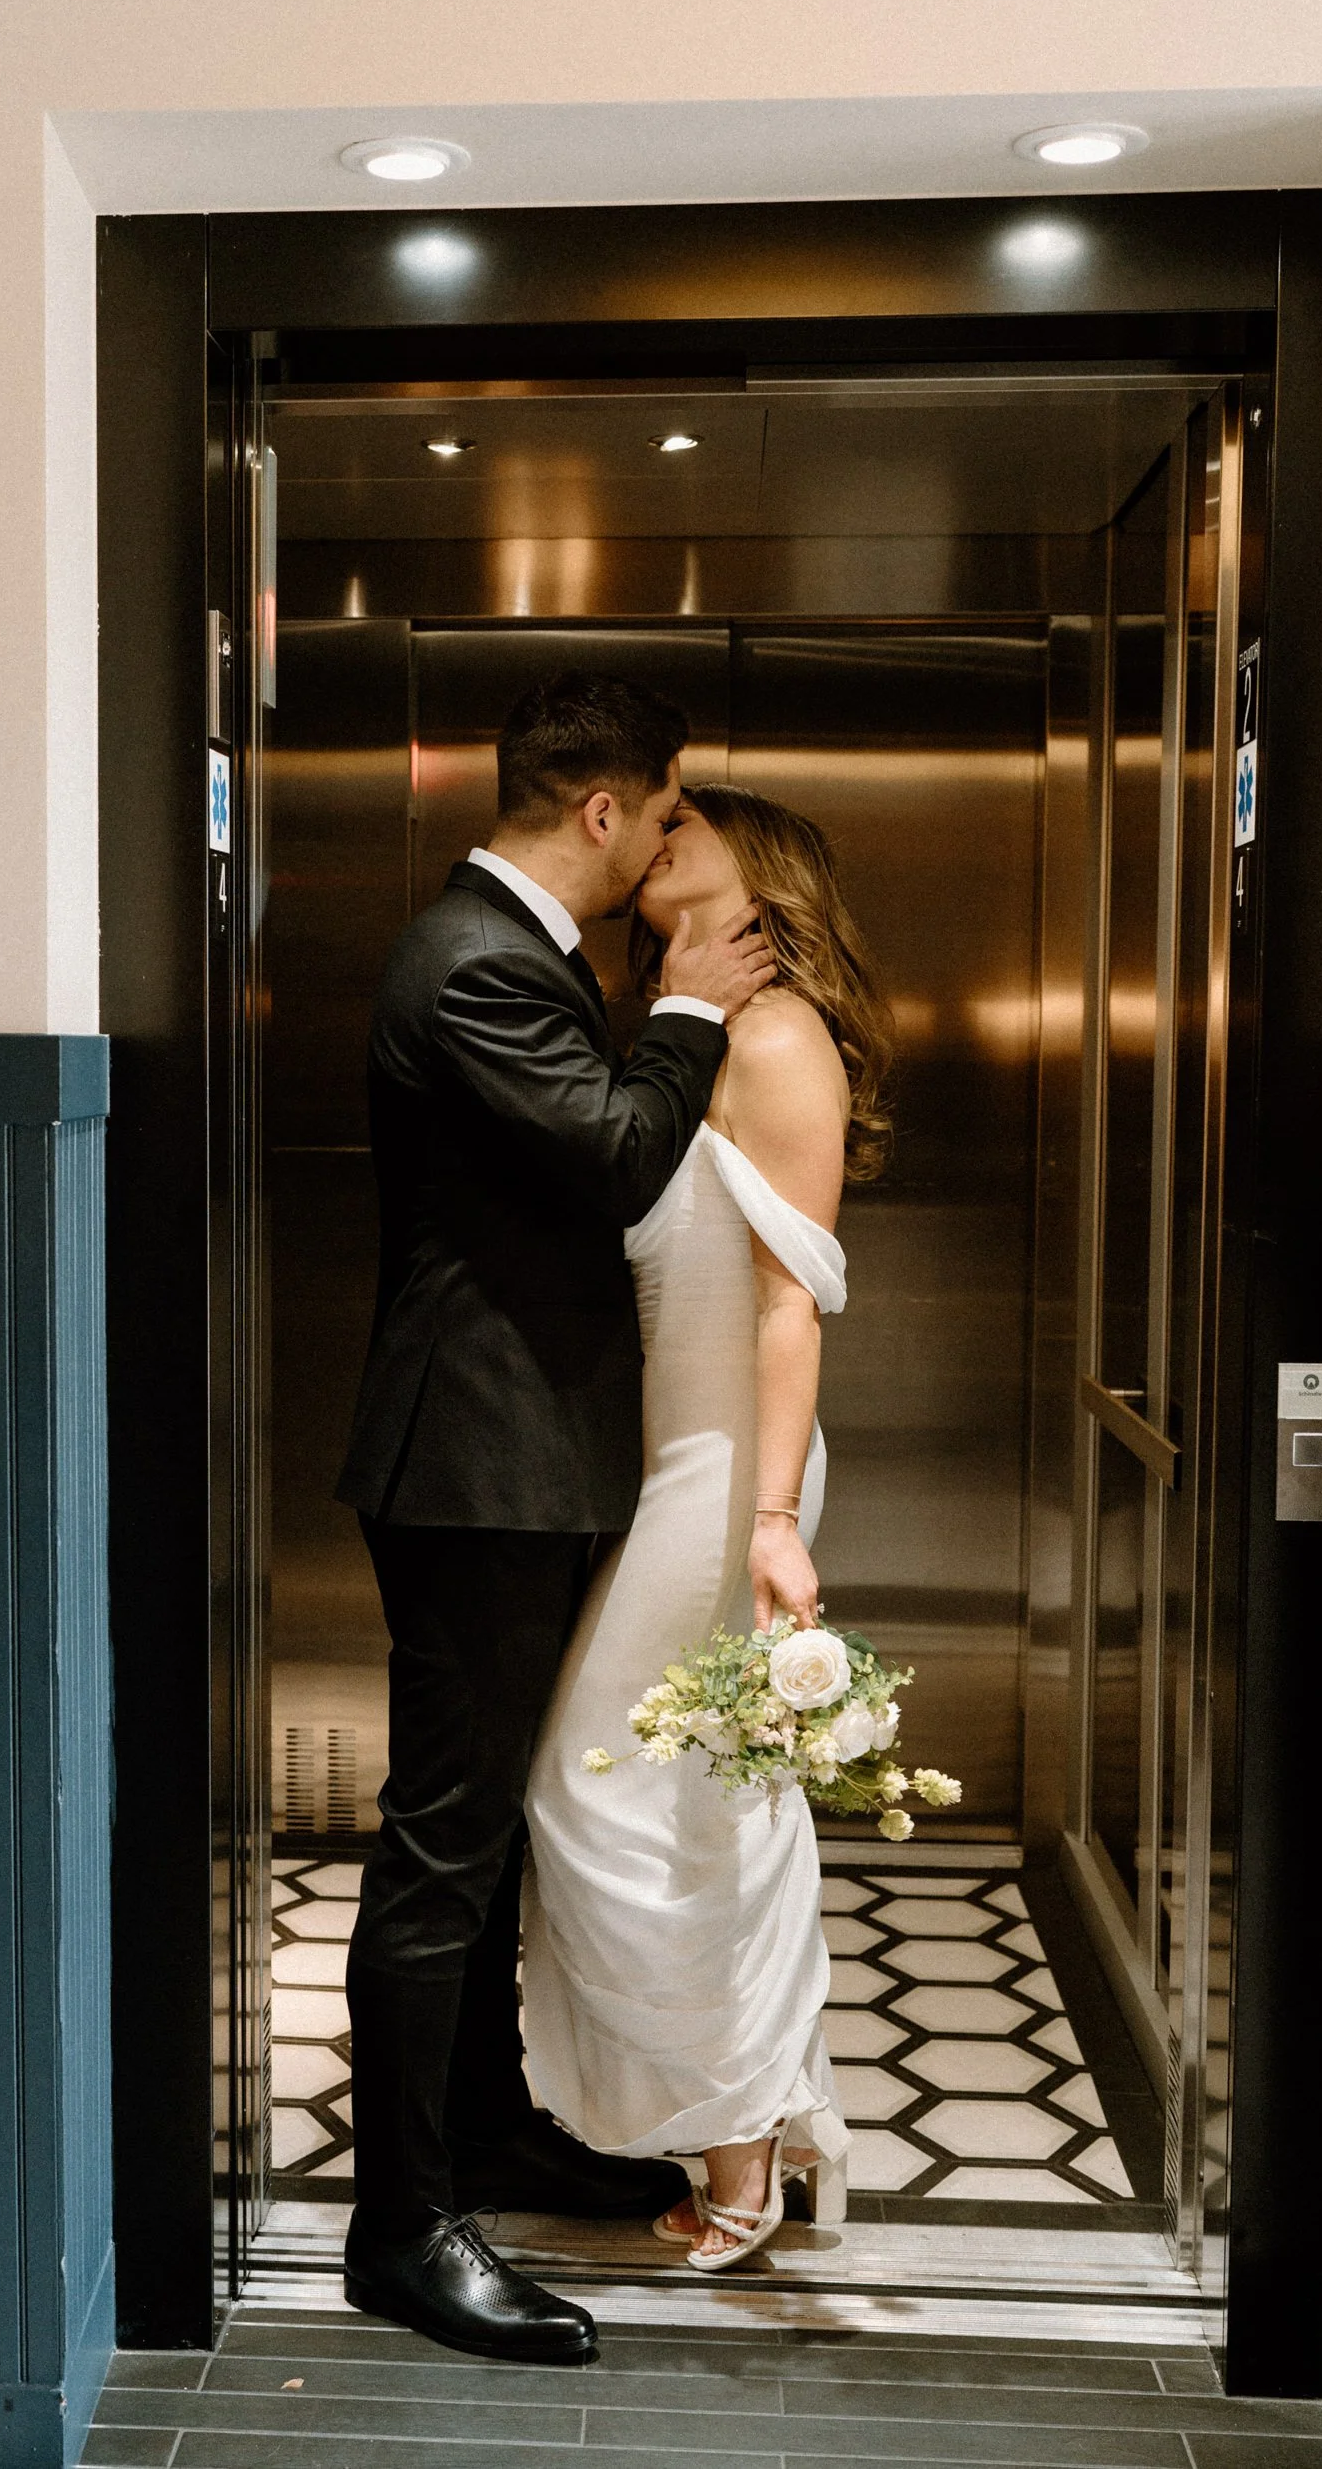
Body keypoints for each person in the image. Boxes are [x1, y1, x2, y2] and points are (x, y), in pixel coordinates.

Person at [335, 678, 776, 2361]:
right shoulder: (468, 964)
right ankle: (405, 2230)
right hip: (474, 1469)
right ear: (603, 813)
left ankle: (493, 2130)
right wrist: (685, 1013)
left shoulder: (505, 954)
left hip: (522, 1462)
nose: (672, 845)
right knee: (442, 1846)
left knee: (494, 1828)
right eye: (664, 817)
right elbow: (607, 1156)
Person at [522, 782, 893, 2270]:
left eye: (694, 826)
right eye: (652, 825)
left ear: (767, 873)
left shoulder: (780, 1032)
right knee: (664, 1793)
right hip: (677, 1463)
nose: (659, 838)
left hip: (727, 1475)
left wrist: (766, 1517)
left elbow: (789, 1300)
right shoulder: (686, 1029)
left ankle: (738, 2158)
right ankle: (738, 2139)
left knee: (631, 1794)